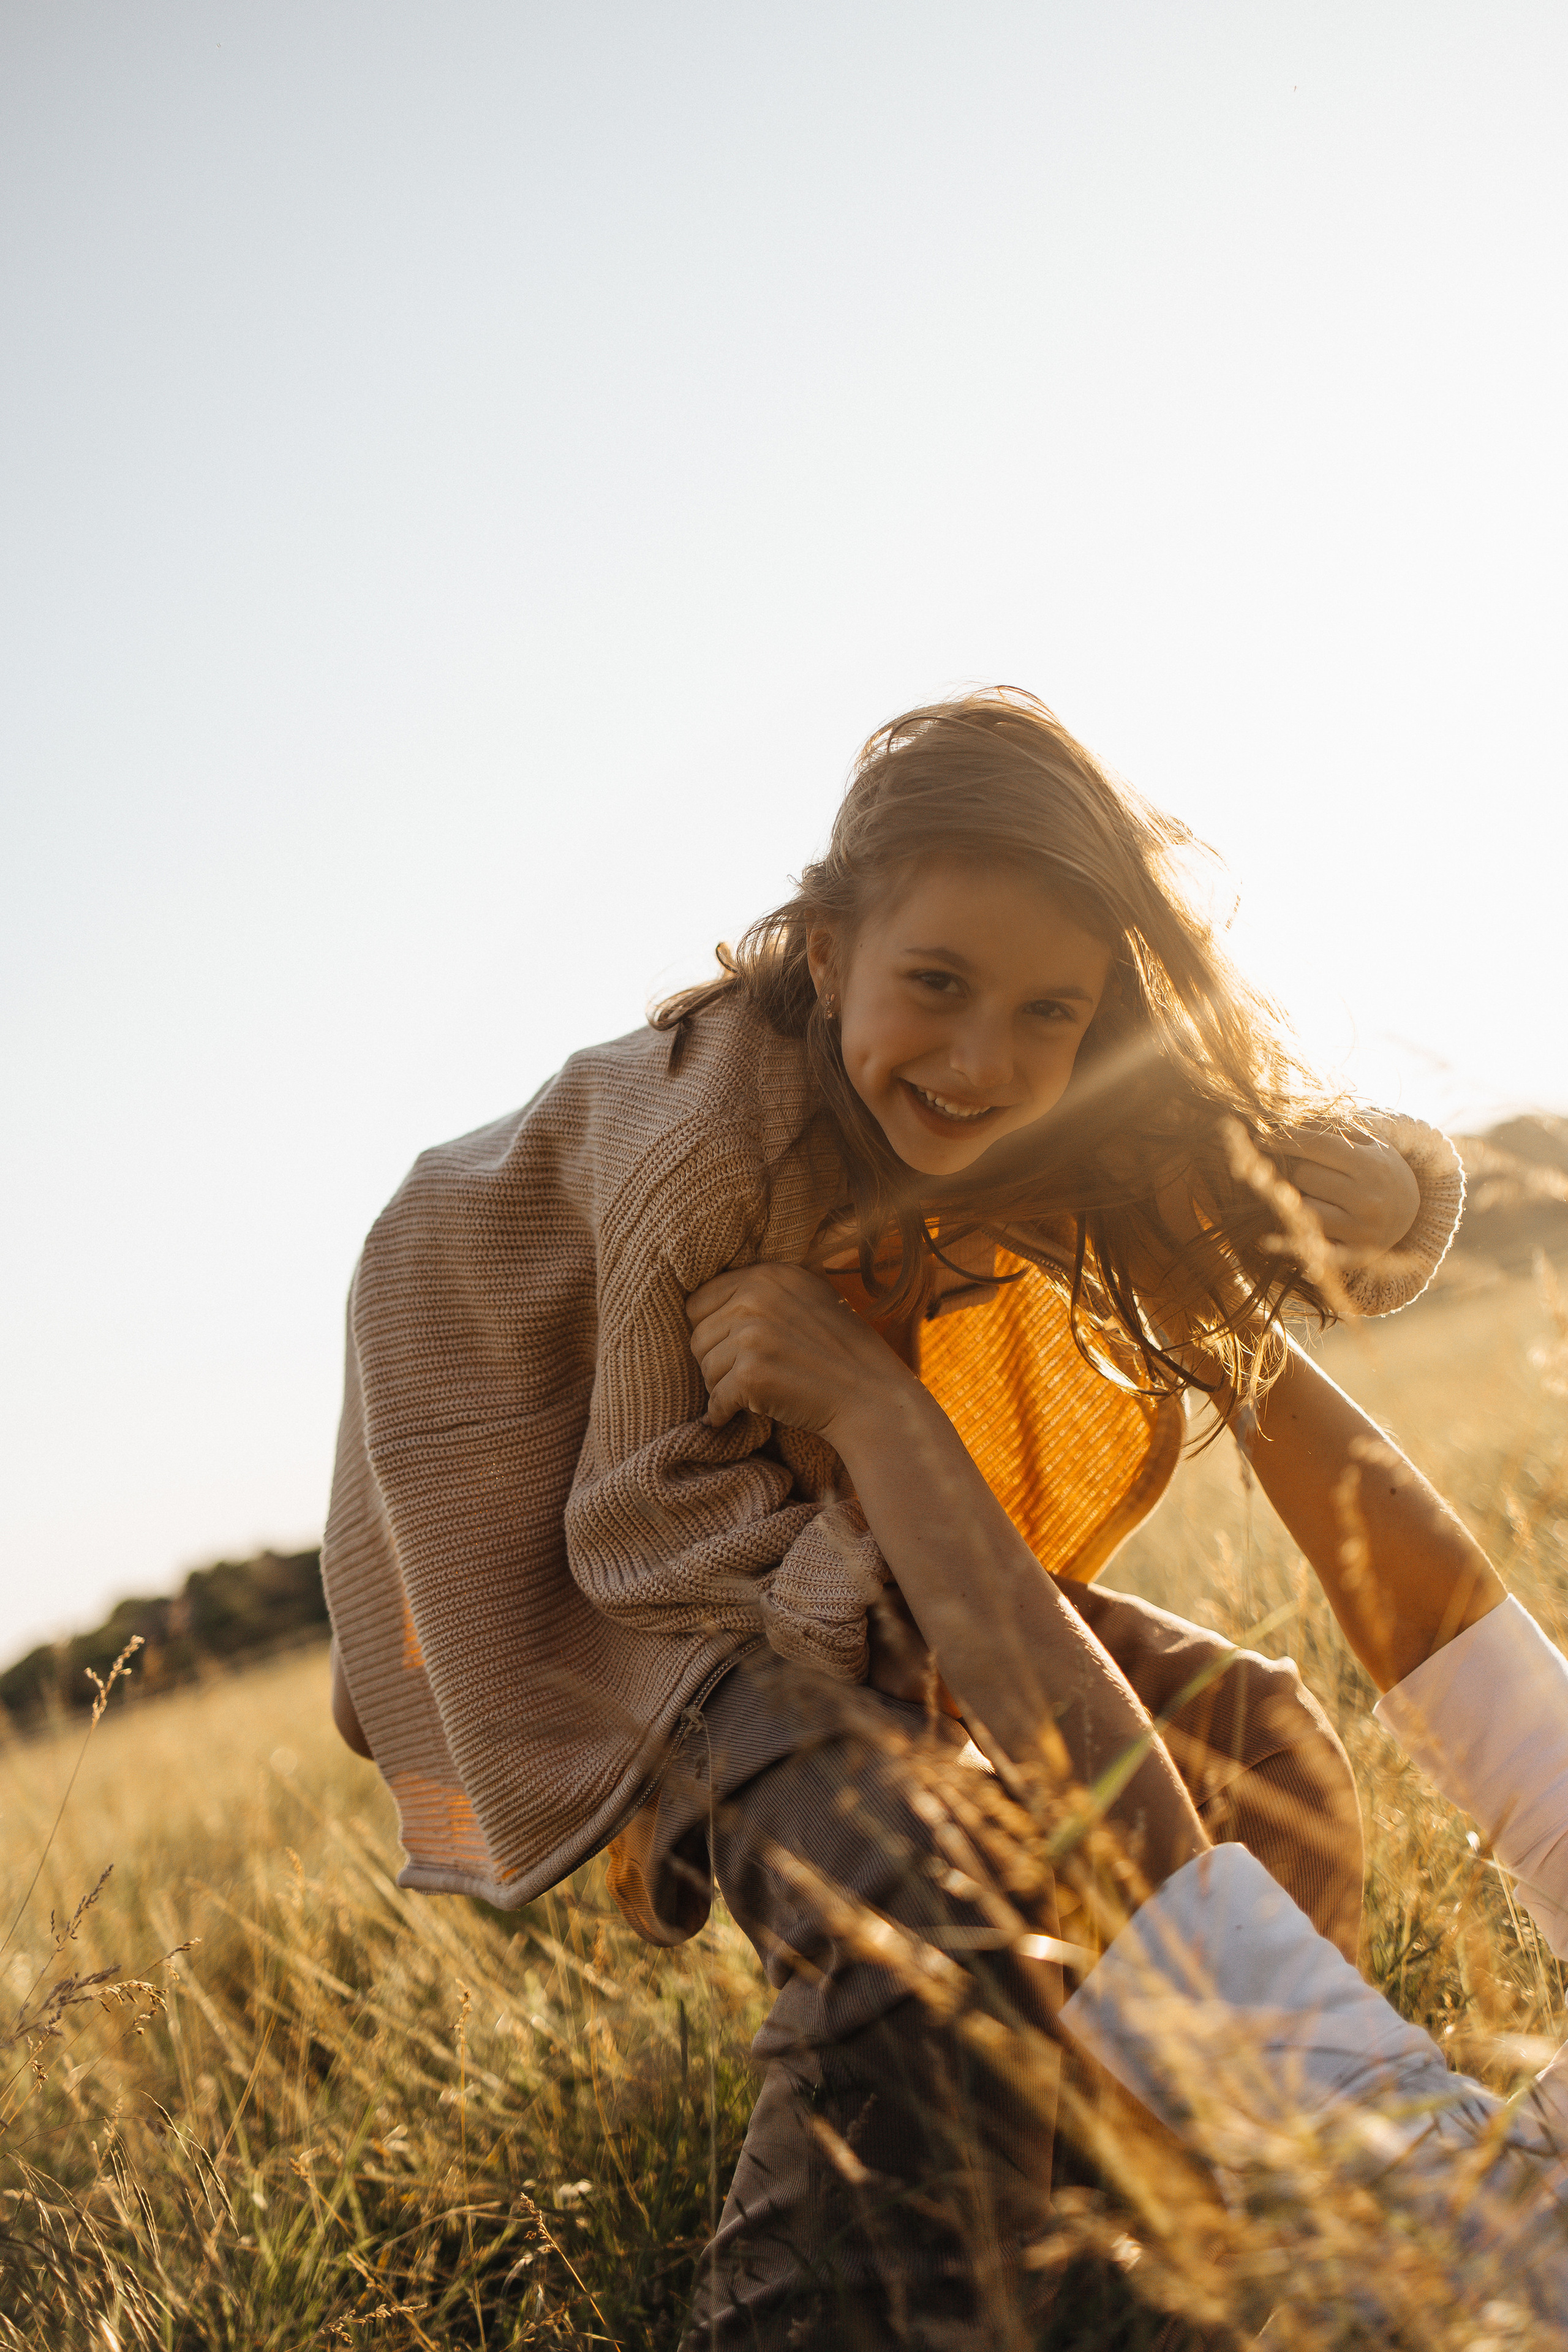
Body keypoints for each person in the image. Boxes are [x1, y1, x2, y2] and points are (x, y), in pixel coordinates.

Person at [322, 689, 1464, 2343]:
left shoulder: (1013, 1092)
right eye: (937, 985)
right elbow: (642, 1539)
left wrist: (1382, 1183)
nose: (986, 1057)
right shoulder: (710, 1158)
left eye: (1048, 1010)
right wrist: (913, 1606)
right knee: (917, 1885)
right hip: (625, 1579)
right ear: (828, 944)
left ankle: (1185, 2210)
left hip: (821, 1532)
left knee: (1256, 1737)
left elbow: (1308, 1245)